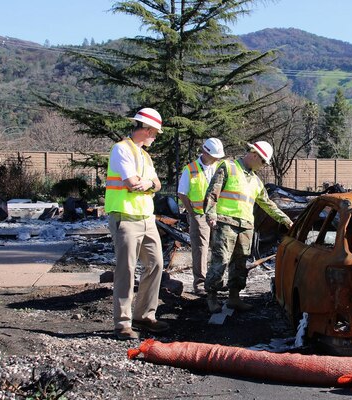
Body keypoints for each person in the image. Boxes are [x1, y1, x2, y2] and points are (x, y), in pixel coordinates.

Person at [203, 141, 293, 313]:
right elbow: (213, 192)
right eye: (263, 161)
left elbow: (267, 204)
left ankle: (234, 298)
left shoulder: (257, 181)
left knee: (240, 263)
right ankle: (212, 297)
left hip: (245, 226)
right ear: (254, 154)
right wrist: (211, 214)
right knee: (220, 261)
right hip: (225, 222)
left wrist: (285, 220)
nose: (263, 165)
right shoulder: (228, 167)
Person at [105, 107, 169, 340]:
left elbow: (157, 184)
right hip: (125, 217)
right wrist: (145, 182)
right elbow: (132, 183)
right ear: (148, 129)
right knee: (126, 270)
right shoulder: (121, 149)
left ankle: (144, 315)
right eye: (155, 133)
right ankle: (122, 323)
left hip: (146, 218)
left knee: (156, 264)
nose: (156, 137)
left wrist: (147, 183)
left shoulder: (144, 155)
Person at [177, 138, 225, 295]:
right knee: (201, 249)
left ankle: (216, 281)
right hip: (199, 215)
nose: (217, 159)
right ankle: (200, 283)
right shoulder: (190, 169)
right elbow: (182, 193)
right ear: (205, 152)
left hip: (218, 214)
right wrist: (191, 213)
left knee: (220, 248)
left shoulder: (219, 167)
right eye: (215, 156)